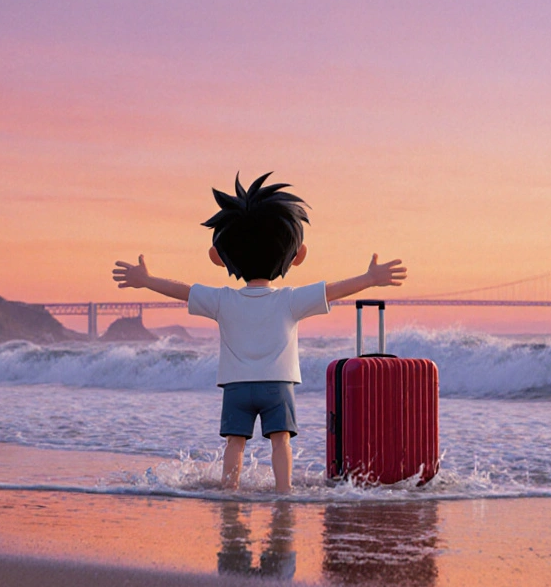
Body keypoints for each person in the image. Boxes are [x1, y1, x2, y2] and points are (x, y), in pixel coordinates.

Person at [112, 173, 405, 493]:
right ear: (297, 255)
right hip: (277, 386)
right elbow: (333, 291)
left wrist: (146, 279)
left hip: (236, 387)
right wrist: (369, 278)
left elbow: (183, 291)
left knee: (234, 444)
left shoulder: (223, 299)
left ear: (219, 256)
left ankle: (229, 491)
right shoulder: (290, 299)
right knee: (281, 442)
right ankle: (284, 492)